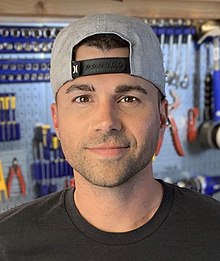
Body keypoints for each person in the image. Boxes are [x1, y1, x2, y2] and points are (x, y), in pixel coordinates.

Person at [0, 14, 220, 261]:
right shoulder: (7, 244)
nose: (106, 122)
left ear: (162, 115)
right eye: (82, 99)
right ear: (57, 119)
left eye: (129, 99)